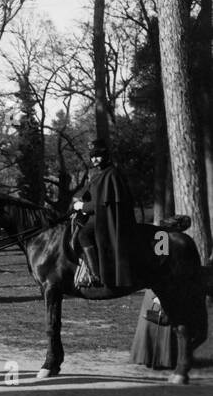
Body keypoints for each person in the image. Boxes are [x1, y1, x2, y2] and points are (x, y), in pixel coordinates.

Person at [71, 139, 139, 288]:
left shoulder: (111, 175)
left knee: (83, 235)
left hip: (107, 220)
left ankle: (96, 275)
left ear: (106, 156)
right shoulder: (99, 174)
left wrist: (82, 205)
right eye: (92, 156)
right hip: (99, 216)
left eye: (98, 156)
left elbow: (99, 205)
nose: (94, 159)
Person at [130, 290, 179, 370]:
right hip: (155, 290)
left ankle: (166, 359)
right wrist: (155, 296)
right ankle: (150, 358)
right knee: (156, 317)